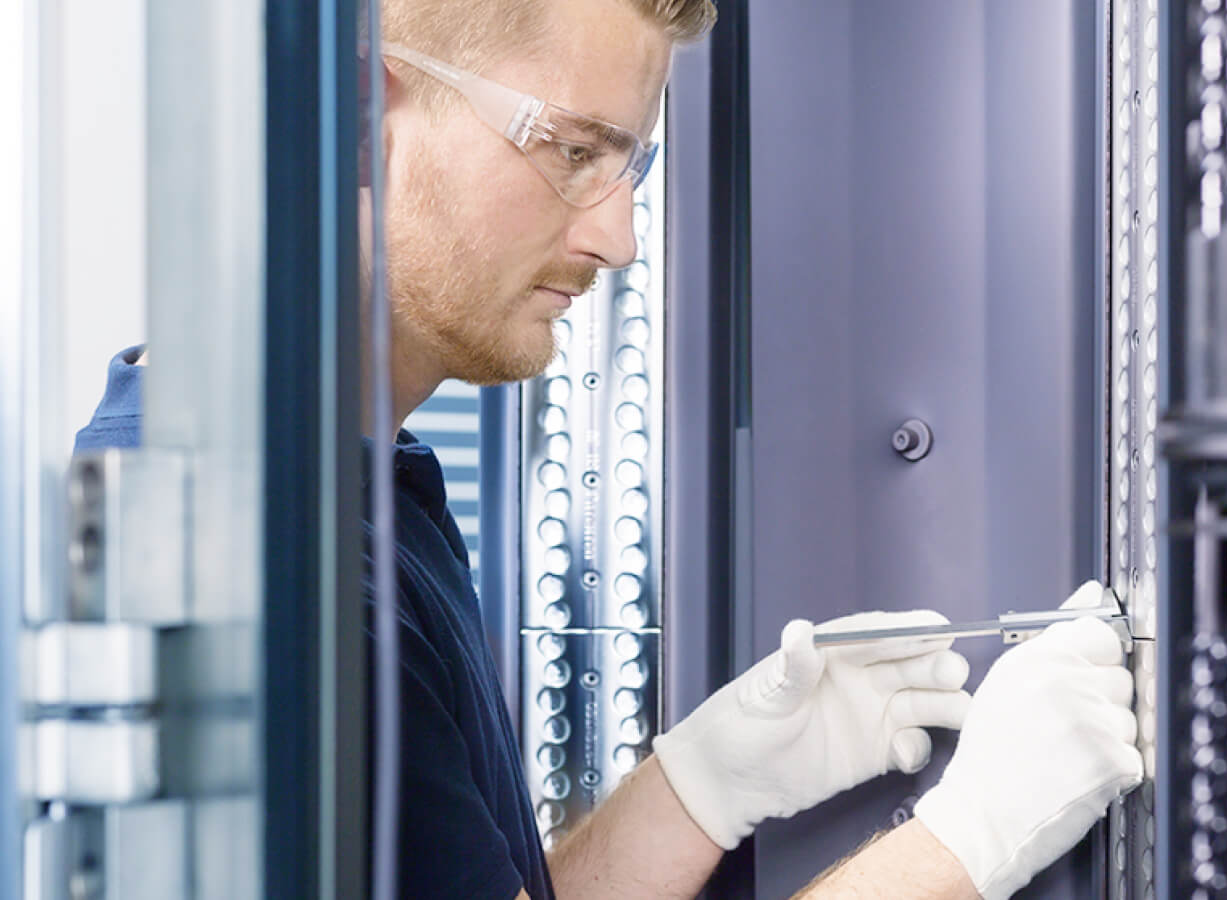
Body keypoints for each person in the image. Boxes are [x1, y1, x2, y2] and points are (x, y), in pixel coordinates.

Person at [76, 0, 1142, 897]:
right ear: (363, 112)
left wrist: (694, 791)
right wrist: (963, 847)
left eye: (628, 163)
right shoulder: (270, 593)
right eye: (571, 150)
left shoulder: (361, 495)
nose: (617, 238)